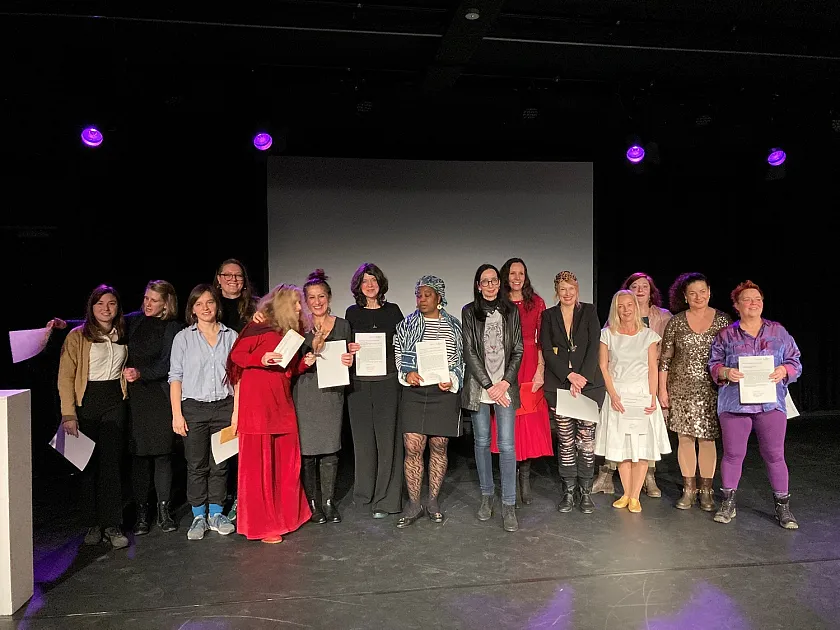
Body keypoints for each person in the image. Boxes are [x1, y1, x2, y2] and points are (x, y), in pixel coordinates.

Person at [709, 280, 802, 529]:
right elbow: (713, 364)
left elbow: (796, 361)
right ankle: (728, 503)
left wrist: (784, 369)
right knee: (733, 454)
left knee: (774, 455)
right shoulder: (726, 335)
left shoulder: (778, 332)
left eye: (758, 299)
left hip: (770, 404)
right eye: (748, 299)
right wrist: (725, 371)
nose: (754, 303)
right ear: (737, 305)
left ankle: (783, 507)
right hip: (734, 405)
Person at [227, 284, 314, 543]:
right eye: (296, 303)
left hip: (281, 402)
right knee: (259, 467)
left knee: (286, 462)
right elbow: (237, 356)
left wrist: (303, 364)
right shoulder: (259, 325)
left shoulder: (293, 332)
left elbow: (288, 368)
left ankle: (287, 515)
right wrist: (261, 358)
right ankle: (263, 524)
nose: (301, 308)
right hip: (257, 405)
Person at [57, 285, 130, 549]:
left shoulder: (122, 333)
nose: (106, 308)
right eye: (100, 304)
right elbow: (65, 376)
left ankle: (112, 523)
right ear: (92, 307)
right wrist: (69, 414)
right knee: (87, 467)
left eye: (111, 303)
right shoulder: (77, 336)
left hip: (114, 401)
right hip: (86, 403)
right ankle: (92, 523)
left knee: (111, 466)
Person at [594, 272, 673, 498]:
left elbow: (652, 368)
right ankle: (626, 494)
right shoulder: (607, 334)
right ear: (615, 309)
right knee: (622, 447)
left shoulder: (648, 335)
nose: (626, 310)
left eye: (630, 305)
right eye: (621, 306)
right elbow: (603, 367)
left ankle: (635, 496)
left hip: (642, 395)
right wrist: (613, 395)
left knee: (642, 446)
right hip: (617, 395)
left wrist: (652, 396)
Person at [393, 275, 464, 528]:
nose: (422, 299)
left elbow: (459, 360)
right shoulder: (406, 325)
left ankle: (432, 500)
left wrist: (452, 378)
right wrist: (406, 372)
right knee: (413, 447)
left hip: (442, 393)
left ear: (439, 297)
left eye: (427, 295)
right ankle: (414, 503)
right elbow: (398, 353)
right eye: (418, 295)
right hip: (414, 391)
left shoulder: (454, 326)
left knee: (439, 446)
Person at [169, 285, 238, 540]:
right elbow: (175, 377)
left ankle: (216, 513)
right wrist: (177, 414)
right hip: (194, 408)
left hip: (224, 407)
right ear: (192, 309)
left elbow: (238, 377)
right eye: (199, 304)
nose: (205, 308)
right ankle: (199, 515)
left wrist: (236, 413)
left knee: (220, 464)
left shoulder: (232, 336)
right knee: (196, 464)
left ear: (216, 305)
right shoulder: (184, 338)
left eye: (209, 302)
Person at [659, 273, 731, 511]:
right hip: (680, 389)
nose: (698, 296)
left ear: (709, 292)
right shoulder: (677, 321)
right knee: (685, 439)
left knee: (708, 439)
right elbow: (665, 360)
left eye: (702, 291)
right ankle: (689, 489)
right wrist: (663, 391)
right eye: (692, 293)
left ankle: (707, 490)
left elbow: (731, 356)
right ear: (685, 296)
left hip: (712, 389)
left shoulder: (723, 320)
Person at [462, 264, 523, 532]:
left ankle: (508, 503)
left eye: (494, 281)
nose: (490, 285)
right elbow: (469, 351)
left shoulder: (511, 311)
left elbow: (518, 350)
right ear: (478, 285)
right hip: (480, 386)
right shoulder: (468, 311)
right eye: (485, 281)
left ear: (499, 284)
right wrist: (489, 385)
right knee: (482, 441)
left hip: (505, 386)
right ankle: (487, 496)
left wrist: (504, 383)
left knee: (507, 445)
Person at [540, 271, 605, 514]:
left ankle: (585, 492)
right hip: (560, 386)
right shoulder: (548, 315)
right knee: (566, 442)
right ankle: (568, 491)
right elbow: (547, 350)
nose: (567, 293)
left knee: (586, 442)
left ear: (577, 289)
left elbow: (593, 345)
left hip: (589, 386)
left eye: (571, 288)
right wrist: (569, 376)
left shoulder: (588, 311)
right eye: (563, 289)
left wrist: (582, 377)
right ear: (557, 291)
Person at [343, 263, 405, 519]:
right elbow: (344, 347)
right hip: (359, 384)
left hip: (387, 384)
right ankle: (364, 494)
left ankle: (387, 498)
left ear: (381, 284)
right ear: (358, 286)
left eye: (374, 280)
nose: (369, 285)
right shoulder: (351, 313)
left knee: (388, 441)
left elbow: (404, 344)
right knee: (363, 441)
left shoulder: (393, 312)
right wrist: (348, 350)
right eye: (365, 281)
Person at [293, 269, 353, 524]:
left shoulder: (343, 325)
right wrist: (304, 361)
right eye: (311, 297)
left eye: (321, 296)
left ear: (329, 297)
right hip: (306, 393)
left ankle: (328, 503)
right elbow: (289, 363)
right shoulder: (298, 326)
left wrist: (349, 360)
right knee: (307, 452)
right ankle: (312, 504)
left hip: (331, 394)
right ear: (305, 301)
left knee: (330, 450)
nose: (317, 302)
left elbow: (347, 358)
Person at [125, 280, 182, 535]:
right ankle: (141, 514)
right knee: (139, 457)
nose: (148, 304)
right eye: (146, 298)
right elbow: (100, 322)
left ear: (165, 304)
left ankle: (164, 510)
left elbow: (168, 365)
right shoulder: (135, 321)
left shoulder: (172, 328)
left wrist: (141, 373)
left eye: (154, 300)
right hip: (136, 399)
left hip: (159, 397)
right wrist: (64, 325)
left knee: (162, 456)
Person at [493, 258, 552, 507]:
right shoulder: (497, 301)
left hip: (529, 364)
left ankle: (525, 477)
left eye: (522, 273)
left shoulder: (536, 302)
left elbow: (543, 339)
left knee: (527, 419)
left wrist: (540, 370)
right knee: (509, 419)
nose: (517, 277)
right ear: (506, 276)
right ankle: (510, 477)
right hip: (504, 364)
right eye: (513, 273)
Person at [213, 258, 258, 522]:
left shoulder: (255, 308)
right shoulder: (209, 306)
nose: (233, 279)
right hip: (214, 386)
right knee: (222, 444)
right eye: (227, 275)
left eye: (238, 276)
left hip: (247, 384)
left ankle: (243, 498)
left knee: (244, 445)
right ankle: (224, 497)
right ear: (218, 279)